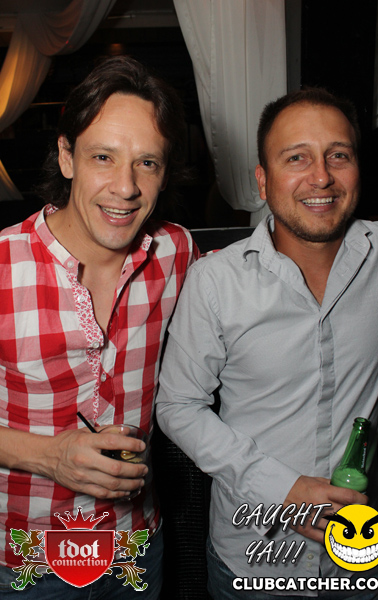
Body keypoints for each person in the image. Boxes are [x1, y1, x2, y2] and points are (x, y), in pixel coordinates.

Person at [156, 88, 378, 598]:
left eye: (338, 155)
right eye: (297, 158)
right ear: (263, 181)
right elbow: (178, 406)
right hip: (253, 558)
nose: (321, 177)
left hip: (360, 555)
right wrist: (282, 489)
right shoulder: (215, 281)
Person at [0, 55, 199, 598]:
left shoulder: (177, 254)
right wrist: (48, 456)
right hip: (23, 561)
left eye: (147, 163)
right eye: (104, 157)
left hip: (136, 549)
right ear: (67, 157)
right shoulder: (2, 265)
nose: (125, 187)